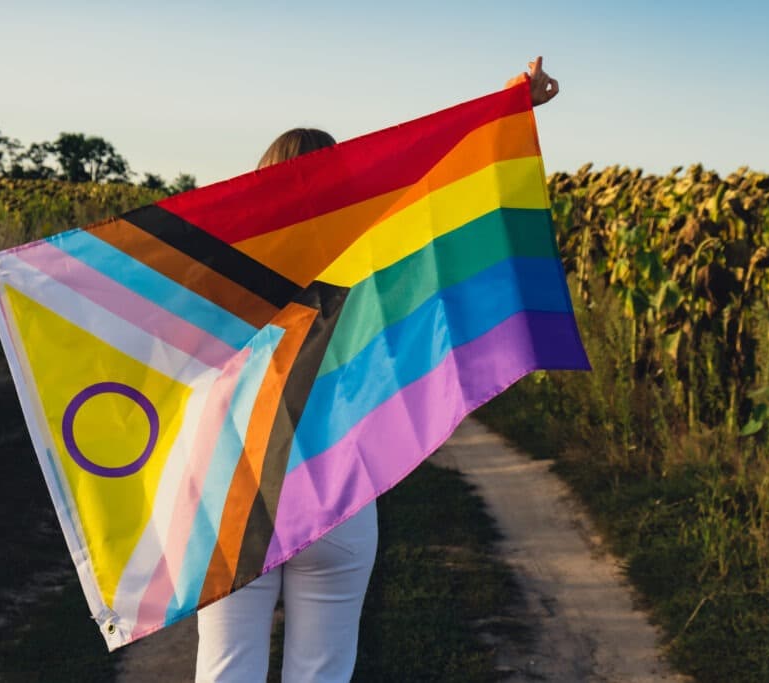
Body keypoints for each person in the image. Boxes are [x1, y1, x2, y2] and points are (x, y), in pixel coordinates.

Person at [195, 57, 558, 683]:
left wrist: (16, 291)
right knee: (323, 671)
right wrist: (511, 105)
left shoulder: (221, 272)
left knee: (226, 669)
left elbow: (134, 330)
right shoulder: (370, 266)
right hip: (340, 495)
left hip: (240, 496)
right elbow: (441, 194)